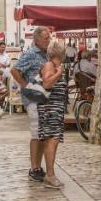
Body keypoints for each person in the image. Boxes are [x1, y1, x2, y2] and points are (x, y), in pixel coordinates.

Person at [11, 27, 51, 183]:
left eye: (49, 38)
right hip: (33, 99)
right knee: (36, 133)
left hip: (43, 98)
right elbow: (15, 70)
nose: (48, 40)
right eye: (45, 38)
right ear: (37, 39)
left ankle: (38, 166)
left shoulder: (46, 54)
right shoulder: (30, 54)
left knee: (41, 134)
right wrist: (25, 85)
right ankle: (34, 168)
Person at [37, 40, 68, 189]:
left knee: (53, 140)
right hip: (50, 110)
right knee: (52, 140)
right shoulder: (50, 66)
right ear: (61, 53)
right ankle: (50, 175)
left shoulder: (54, 66)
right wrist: (59, 74)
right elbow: (47, 83)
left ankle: (51, 174)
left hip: (55, 109)